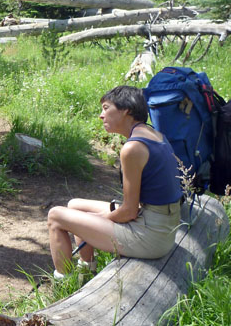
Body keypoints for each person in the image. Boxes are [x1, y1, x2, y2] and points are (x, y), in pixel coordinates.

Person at [47, 85, 183, 278]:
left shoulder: (133, 148)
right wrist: (91, 221)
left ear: (126, 110)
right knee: (74, 205)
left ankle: (63, 283)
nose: (101, 115)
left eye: (106, 107)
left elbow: (129, 211)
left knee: (55, 216)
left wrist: (96, 220)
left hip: (152, 237)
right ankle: (86, 270)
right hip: (161, 223)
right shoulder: (153, 134)